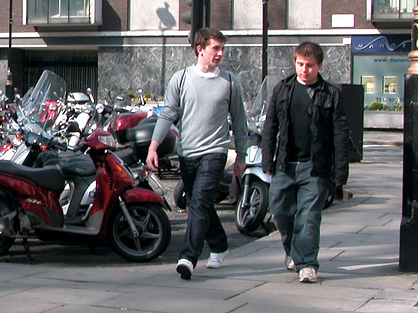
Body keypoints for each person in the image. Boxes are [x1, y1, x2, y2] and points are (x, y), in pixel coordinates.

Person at [146, 27, 247, 280]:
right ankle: (220, 245)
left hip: (215, 151)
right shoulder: (180, 79)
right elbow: (168, 113)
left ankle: (188, 257)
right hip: (188, 152)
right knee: (199, 203)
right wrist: (154, 146)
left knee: (200, 202)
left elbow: (240, 120)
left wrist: (242, 156)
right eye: (216, 48)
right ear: (200, 50)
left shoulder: (230, 83)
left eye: (222, 49)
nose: (220, 54)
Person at [261, 42, 350, 284]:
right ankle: (292, 251)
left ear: (319, 66)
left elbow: (340, 134)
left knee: (308, 216)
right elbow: (271, 126)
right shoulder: (283, 90)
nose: (304, 69)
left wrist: (339, 173)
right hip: (285, 165)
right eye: (300, 64)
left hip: (315, 167)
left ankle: (308, 264)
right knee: (280, 211)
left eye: (310, 65)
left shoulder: (330, 94)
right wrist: (267, 159)